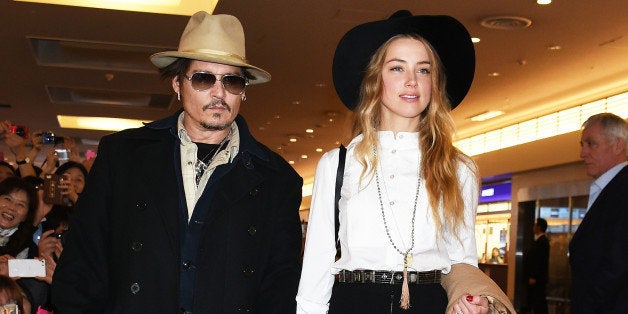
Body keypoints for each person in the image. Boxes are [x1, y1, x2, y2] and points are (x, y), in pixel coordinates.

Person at [51, 11, 303, 313]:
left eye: (232, 81)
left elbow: (280, 288)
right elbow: (82, 262)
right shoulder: (123, 156)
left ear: (243, 91)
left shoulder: (277, 180)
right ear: (177, 84)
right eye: (203, 78)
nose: (219, 92)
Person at [297, 10, 514, 314]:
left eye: (423, 70)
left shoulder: (458, 168)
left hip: (429, 303)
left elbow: (462, 260)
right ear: (375, 79)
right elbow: (316, 266)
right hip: (353, 303)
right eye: (397, 68)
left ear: (434, 83)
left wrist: (469, 301)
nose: (412, 81)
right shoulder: (338, 164)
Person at [569, 112, 627, 314]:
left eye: (591, 143)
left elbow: (618, 262)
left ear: (618, 145)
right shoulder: (610, 188)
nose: (582, 153)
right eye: (582, 144)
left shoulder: (623, 189)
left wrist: (587, 306)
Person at [523, 218, 549, 314]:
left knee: (538, 301)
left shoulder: (542, 242)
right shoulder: (538, 241)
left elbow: (539, 261)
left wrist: (533, 276)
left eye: (535, 225)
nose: (533, 227)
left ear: (539, 227)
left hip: (537, 279)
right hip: (536, 278)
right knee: (537, 300)